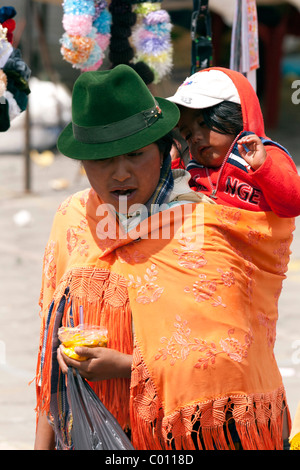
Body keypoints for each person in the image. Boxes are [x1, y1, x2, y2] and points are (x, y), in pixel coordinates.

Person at [34, 64, 293, 450]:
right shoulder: (73, 219)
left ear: (163, 150)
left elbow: (234, 357)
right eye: (103, 160)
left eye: (135, 154)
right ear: (83, 164)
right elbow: (49, 353)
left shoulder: (207, 225)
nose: (120, 173)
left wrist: (126, 367)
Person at [167, 67, 300, 217]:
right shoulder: (195, 170)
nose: (195, 138)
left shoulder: (264, 156)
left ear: (236, 115)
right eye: (187, 135)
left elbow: (294, 205)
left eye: (204, 124)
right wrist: (172, 165)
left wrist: (264, 167)